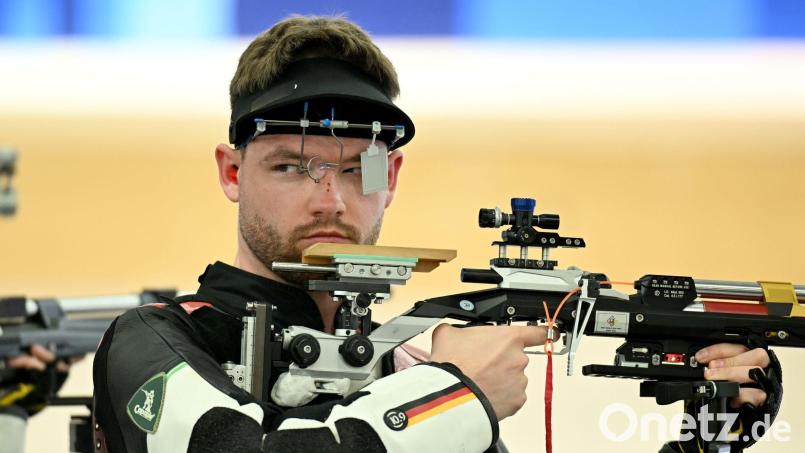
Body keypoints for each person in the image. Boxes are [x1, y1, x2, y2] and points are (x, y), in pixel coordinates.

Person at [92, 16, 781, 453]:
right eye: (292, 166)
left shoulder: (405, 370)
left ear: (390, 175)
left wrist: (706, 439)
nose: (331, 198)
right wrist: (452, 393)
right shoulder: (152, 339)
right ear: (232, 171)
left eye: (359, 168)